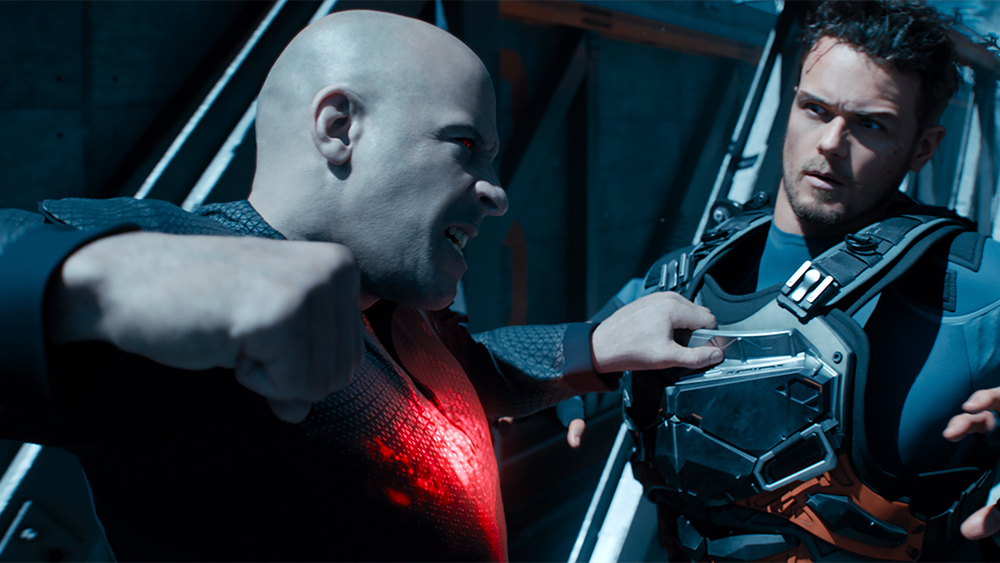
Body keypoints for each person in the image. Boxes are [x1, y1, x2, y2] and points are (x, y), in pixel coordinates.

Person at [0, 9, 722, 562]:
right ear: (339, 126)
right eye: (464, 145)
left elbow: (459, 380)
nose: (496, 193)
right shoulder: (193, 283)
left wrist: (592, 346)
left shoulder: (394, 303)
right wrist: (108, 284)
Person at [616, 1, 1000, 561]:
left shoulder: (977, 291)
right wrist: (558, 387)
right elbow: (590, 337)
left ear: (924, 147)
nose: (831, 143)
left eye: (870, 124)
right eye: (815, 109)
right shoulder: (685, 275)